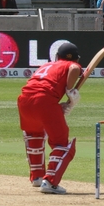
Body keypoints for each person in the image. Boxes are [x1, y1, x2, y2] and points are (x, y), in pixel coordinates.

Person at [16, 41, 82, 194]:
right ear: (77, 59)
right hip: (44, 100)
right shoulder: (72, 65)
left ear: (57, 56)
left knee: (34, 135)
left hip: (24, 100)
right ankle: (50, 182)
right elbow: (73, 68)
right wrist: (70, 91)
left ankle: (37, 177)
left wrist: (58, 107)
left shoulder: (46, 66)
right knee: (62, 143)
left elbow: (43, 86)